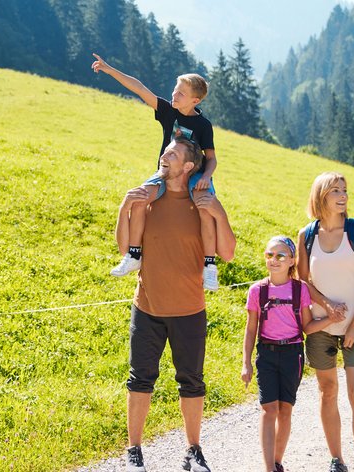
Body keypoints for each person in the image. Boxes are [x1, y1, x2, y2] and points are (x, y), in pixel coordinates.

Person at [115, 136, 236, 472]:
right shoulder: (149, 197)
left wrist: (220, 212)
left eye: (174, 153)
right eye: (165, 151)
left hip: (189, 310)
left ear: (188, 166)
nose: (165, 156)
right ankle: (134, 452)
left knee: (192, 381)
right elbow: (124, 244)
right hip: (148, 308)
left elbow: (227, 252)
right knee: (140, 379)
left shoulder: (202, 201)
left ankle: (193, 452)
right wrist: (125, 205)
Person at [92, 53, 222, 290]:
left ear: (195, 101)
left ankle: (210, 266)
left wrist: (205, 177)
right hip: (165, 172)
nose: (174, 94)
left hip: (194, 176)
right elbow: (140, 88)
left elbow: (211, 159)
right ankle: (133, 255)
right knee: (140, 198)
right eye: (175, 89)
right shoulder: (168, 112)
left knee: (206, 210)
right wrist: (110, 69)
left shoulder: (203, 126)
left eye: (181, 93)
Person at [241, 236, 344, 472]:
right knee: (269, 410)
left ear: (291, 261)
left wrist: (330, 318)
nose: (274, 260)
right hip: (266, 353)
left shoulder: (300, 289)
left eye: (280, 256)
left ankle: (277, 462)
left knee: (285, 410)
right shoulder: (257, 290)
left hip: (293, 354)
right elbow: (250, 329)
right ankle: (269, 468)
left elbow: (307, 327)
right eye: (269, 255)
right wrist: (246, 363)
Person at [297, 172, 354, 472]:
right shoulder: (306, 236)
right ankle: (337, 460)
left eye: (344, 190)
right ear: (321, 196)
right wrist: (327, 306)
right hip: (321, 327)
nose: (342, 195)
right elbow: (303, 281)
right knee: (327, 392)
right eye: (335, 190)